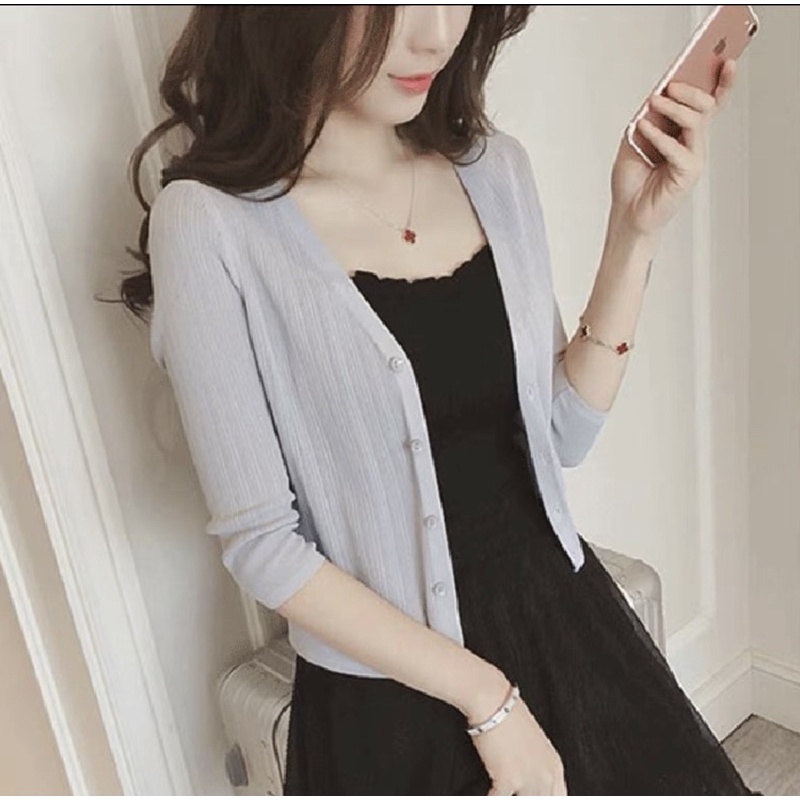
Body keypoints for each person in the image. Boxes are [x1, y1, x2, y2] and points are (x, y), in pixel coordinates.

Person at [122, 6, 760, 796]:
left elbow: (559, 433)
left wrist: (634, 233)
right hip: (391, 699)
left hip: (564, 620)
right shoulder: (211, 225)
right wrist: (489, 701)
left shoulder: (494, 169)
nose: (436, 35)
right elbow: (264, 545)